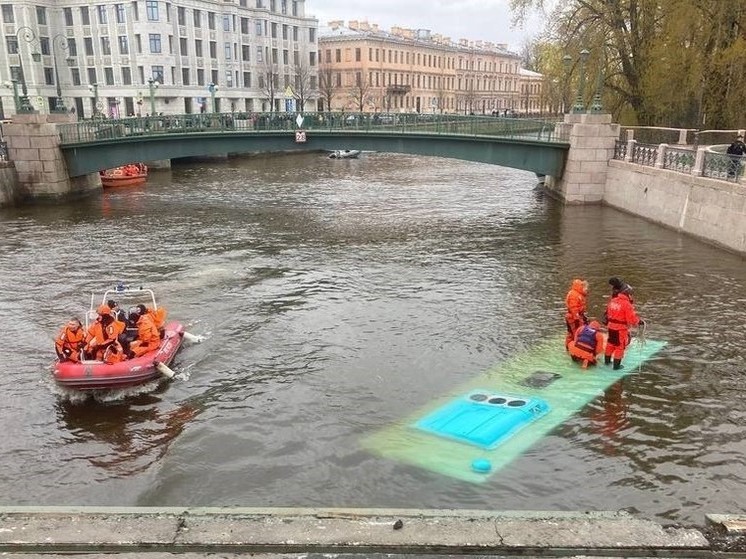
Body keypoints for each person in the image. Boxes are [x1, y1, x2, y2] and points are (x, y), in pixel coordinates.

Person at [603, 277, 644, 370]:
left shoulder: (613, 301)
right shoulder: (627, 304)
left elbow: (607, 313)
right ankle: (616, 366)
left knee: (610, 344)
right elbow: (631, 319)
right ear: (627, 294)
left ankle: (607, 361)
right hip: (620, 329)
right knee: (619, 347)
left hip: (611, 327)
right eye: (630, 294)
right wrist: (639, 322)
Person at [564, 278, 589, 350]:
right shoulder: (574, 295)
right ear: (582, 287)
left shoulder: (576, 294)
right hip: (573, 317)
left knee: (571, 333)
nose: (587, 289)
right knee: (576, 333)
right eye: (586, 288)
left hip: (573, 316)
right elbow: (573, 308)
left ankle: (569, 348)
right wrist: (577, 318)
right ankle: (576, 349)